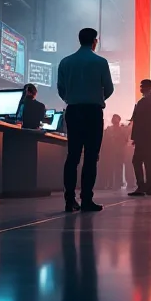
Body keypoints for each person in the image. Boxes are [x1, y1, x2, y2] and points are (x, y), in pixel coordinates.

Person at [57, 27, 115, 212]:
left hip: (73, 111)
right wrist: (97, 99)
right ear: (94, 41)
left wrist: (72, 98)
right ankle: (87, 199)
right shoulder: (100, 62)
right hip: (93, 112)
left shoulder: (65, 62)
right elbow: (109, 88)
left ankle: (69, 199)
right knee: (91, 157)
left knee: (72, 156)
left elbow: (61, 89)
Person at [129, 79, 151, 196]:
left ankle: (142, 186)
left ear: (147, 87)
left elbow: (140, 121)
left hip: (143, 137)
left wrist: (135, 137)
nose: (140, 88)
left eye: (142, 86)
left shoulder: (143, 102)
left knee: (137, 161)